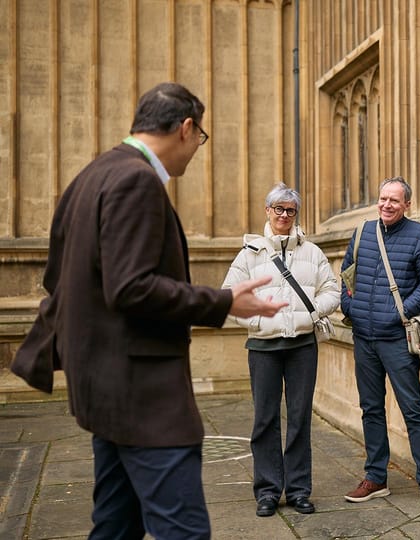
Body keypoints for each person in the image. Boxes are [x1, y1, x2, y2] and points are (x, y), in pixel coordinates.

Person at [11, 82, 287, 539]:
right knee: (184, 532)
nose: (197, 150)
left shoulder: (92, 174)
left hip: (104, 387)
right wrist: (224, 301)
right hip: (144, 397)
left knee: (116, 527)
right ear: (185, 128)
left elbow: (57, 277)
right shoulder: (136, 180)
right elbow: (130, 287)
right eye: (200, 139)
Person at [221, 183, 340, 518]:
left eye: (291, 210)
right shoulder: (249, 254)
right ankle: (268, 492)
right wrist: (260, 317)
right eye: (279, 209)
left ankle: (300, 490)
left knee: (300, 419)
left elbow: (331, 288)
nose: (285, 215)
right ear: (267, 211)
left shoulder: (312, 252)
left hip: (302, 345)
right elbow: (228, 296)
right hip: (263, 346)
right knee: (265, 419)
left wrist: (313, 312)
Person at [340, 176, 420, 509]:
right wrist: (349, 306)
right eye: (383, 199)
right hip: (363, 338)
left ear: (407, 205)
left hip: (398, 340)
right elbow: (347, 273)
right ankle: (375, 478)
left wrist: (401, 313)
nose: (387, 205)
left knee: (412, 410)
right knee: (371, 409)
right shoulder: (361, 233)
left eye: (394, 201)